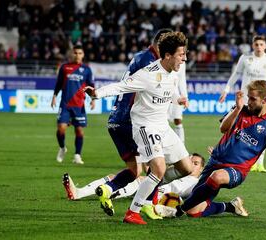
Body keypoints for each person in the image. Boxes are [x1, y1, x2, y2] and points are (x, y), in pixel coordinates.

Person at [64, 29, 176, 219]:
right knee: (154, 167)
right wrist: (98, 93)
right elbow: (131, 87)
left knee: (135, 170)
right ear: (161, 46)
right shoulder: (151, 64)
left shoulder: (141, 57)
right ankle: (146, 206)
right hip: (129, 120)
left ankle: (100, 190)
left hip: (116, 118)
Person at [84, 31, 193, 225]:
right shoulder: (147, 74)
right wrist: (96, 94)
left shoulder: (173, 74)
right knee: (158, 168)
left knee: (187, 168)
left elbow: (170, 91)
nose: (185, 58)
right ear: (168, 55)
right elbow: (120, 86)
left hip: (163, 127)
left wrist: (178, 99)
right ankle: (133, 211)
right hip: (145, 127)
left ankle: (149, 185)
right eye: (181, 54)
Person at [157, 80, 266, 219]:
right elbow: (223, 128)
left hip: (237, 171)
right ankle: (230, 206)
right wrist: (237, 109)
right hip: (215, 162)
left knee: (217, 177)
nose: (248, 102)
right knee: (194, 211)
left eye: (253, 99)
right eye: (248, 97)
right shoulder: (240, 109)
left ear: (265, 100)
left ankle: (177, 211)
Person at [218, 35, 266, 173]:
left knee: (260, 129)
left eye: (261, 44)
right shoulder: (245, 58)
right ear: (253, 45)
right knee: (233, 126)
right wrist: (226, 90)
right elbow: (236, 74)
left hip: (261, 101)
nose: (258, 47)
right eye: (256, 44)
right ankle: (232, 156)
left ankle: (259, 163)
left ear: (265, 46)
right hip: (245, 99)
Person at [61, 153, 205, 201]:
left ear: (202, 168)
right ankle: (79, 193)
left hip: (155, 196)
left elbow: (171, 190)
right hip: (152, 190)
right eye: (190, 161)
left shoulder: (192, 182)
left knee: (139, 180)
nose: (192, 165)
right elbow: (151, 170)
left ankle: (109, 193)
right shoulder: (177, 171)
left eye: (196, 163)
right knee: (116, 176)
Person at [51, 45, 95, 164]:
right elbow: (59, 83)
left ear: (83, 55)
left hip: (79, 105)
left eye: (80, 53)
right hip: (65, 104)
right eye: (75, 53)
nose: (77, 55)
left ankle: (77, 155)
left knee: (79, 131)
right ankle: (62, 148)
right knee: (61, 128)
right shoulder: (65, 67)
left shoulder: (86, 70)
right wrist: (54, 96)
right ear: (72, 54)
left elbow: (90, 85)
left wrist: (93, 99)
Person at [168, 62, 187, 142]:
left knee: (178, 119)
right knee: (164, 120)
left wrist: (185, 97)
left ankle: (181, 145)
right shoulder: (166, 60)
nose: (184, 57)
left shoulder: (182, 63)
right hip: (165, 94)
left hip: (177, 96)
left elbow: (182, 80)